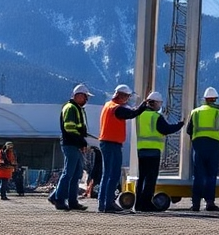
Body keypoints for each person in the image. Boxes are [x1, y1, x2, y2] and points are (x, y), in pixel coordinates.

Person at [95, 84, 149, 213]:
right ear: (121, 96)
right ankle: (108, 203)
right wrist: (143, 105)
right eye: (127, 96)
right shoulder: (117, 108)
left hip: (107, 142)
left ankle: (104, 203)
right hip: (112, 144)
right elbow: (132, 113)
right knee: (112, 174)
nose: (127, 99)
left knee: (107, 174)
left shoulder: (108, 105)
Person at [133, 90, 185, 212]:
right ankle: (147, 204)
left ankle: (138, 204)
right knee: (150, 179)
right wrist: (180, 124)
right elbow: (166, 129)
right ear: (155, 103)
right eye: (159, 103)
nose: (160, 106)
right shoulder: (156, 117)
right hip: (153, 151)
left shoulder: (139, 115)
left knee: (142, 178)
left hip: (141, 150)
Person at [186, 86, 219, 212]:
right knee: (211, 175)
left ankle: (195, 204)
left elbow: (189, 130)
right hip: (213, 146)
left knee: (198, 175)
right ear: (215, 99)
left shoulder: (195, 112)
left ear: (205, 99)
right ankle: (209, 202)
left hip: (198, 146)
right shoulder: (218, 113)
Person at [49, 83, 92, 211]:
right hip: (71, 144)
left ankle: (71, 201)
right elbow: (70, 128)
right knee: (68, 173)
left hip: (75, 144)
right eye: (85, 97)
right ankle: (59, 199)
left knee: (76, 173)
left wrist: (81, 141)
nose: (86, 100)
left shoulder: (76, 108)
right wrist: (81, 141)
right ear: (78, 96)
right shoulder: (71, 108)